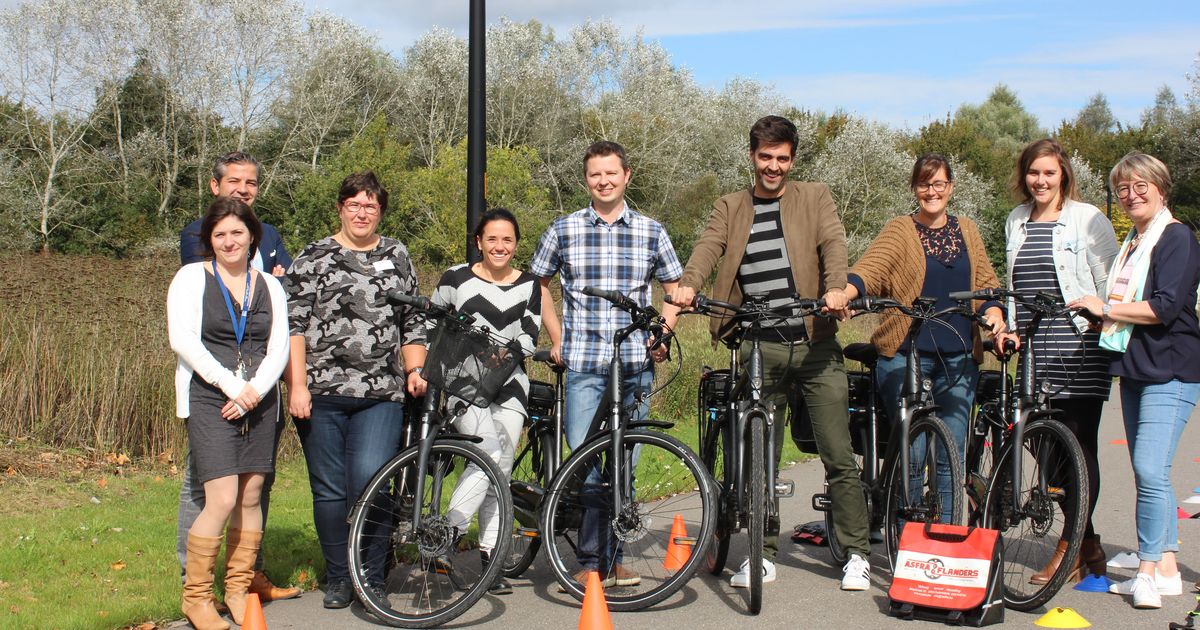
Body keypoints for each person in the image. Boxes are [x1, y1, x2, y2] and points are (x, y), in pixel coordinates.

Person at [669, 115, 871, 592]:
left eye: (782, 159)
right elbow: (708, 248)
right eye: (766, 158)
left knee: (838, 454)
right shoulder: (731, 206)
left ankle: (857, 553)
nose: (774, 167)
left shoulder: (814, 196)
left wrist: (837, 288)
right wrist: (688, 285)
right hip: (759, 343)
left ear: (792, 160)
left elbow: (833, 244)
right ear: (752, 157)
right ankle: (763, 554)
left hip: (816, 343)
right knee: (761, 456)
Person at [531, 140, 683, 587]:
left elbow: (675, 285)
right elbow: (537, 283)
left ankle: (612, 561)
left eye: (611, 173)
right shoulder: (564, 229)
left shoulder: (652, 231)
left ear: (626, 176)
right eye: (595, 174)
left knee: (625, 465)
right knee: (585, 463)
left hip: (636, 364)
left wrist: (665, 331)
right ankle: (590, 563)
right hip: (584, 365)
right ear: (586, 180)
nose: (604, 181)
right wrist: (557, 337)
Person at [283, 171, 428, 608]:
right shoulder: (313, 256)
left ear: (380, 211)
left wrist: (415, 369)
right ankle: (339, 577)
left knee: (372, 483)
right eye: (354, 204)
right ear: (340, 208)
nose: (362, 212)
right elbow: (294, 326)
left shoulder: (397, 254)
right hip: (321, 392)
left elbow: (414, 320)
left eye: (371, 206)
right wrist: (297, 385)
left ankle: (371, 575)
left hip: (381, 395)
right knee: (329, 490)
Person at [842, 153, 1006, 536]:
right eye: (924, 184)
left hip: (960, 358)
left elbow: (986, 284)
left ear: (950, 187)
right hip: (906, 353)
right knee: (913, 454)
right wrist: (845, 295)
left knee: (953, 455)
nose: (931, 191)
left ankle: (947, 539)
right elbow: (870, 269)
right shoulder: (900, 230)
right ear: (914, 188)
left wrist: (995, 312)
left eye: (939, 184)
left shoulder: (967, 229)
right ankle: (906, 540)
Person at [1070, 152, 1200, 610]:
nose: (1131, 195)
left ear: (1161, 187)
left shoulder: (1176, 237)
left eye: (1141, 185)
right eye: (1123, 188)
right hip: (1135, 365)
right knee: (1153, 472)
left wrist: (1103, 308)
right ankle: (1165, 566)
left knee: (1148, 468)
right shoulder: (1134, 240)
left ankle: (1145, 571)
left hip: (1172, 368)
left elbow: (1163, 306)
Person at [175, 151, 300, 603]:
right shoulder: (196, 249)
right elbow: (188, 334)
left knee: (252, 492)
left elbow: (281, 315)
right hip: (214, 391)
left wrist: (254, 392)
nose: (243, 189)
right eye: (234, 181)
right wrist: (235, 389)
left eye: (251, 182)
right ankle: (196, 586)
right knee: (212, 491)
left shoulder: (269, 249)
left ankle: (245, 582)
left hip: (259, 391)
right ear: (215, 186)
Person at [1003, 139, 1118, 585]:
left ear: (1063, 174)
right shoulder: (1016, 220)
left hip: (1078, 346)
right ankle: (1088, 544)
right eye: (1034, 172)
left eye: (1049, 173)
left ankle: (1068, 550)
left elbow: (1111, 282)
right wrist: (1009, 327)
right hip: (1034, 349)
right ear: (1025, 175)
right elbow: (1015, 285)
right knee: (1043, 445)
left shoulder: (1087, 218)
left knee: (1078, 447)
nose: (1041, 181)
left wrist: (1101, 310)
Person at [423, 208, 542, 595]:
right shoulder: (455, 278)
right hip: (462, 382)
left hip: (510, 384)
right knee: (486, 454)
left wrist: (504, 353)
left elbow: (529, 335)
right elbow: (431, 325)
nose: (500, 246)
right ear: (479, 241)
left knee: (502, 466)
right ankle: (446, 536)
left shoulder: (530, 285)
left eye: (507, 239)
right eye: (492, 238)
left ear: (516, 244)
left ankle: (492, 557)